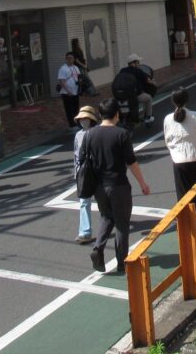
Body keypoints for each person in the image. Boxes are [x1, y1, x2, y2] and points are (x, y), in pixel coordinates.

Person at [85, 98, 150, 274]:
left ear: (100, 114)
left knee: (106, 217)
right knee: (122, 224)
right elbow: (131, 162)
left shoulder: (90, 134)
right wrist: (142, 183)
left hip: (99, 186)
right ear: (117, 114)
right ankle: (122, 262)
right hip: (118, 185)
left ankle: (98, 248)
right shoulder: (121, 134)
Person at [162, 88, 196, 204]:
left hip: (179, 161)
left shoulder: (168, 119)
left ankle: (187, 218)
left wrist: (173, 154)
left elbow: (167, 140)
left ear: (173, 101)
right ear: (186, 100)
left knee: (184, 196)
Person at [72, 105, 99, 245]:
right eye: (81, 119)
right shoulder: (78, 135)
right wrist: (76, 172)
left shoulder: (97, 133)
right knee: (84, 202)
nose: (83, 121)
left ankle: (110, 224)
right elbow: (75, 155)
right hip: (83, 172)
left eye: (86, 118)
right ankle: (85, 232)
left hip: (96, 171)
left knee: (102, 200)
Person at [111, 54, 156, 126]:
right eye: (138, 62)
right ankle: (148, 117)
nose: (139, 64)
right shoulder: (138, 71)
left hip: (121, 96)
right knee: (148, 98)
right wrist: (153, 83)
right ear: (133, 63)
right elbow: (148, 80)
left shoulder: (122, 70)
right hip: (134, 96)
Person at [56, 52, 81, 127]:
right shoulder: (63, 68)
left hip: (75, 91)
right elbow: (61, 81)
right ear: (66, 59)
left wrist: (80, 83)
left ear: (74, 59)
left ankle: (76, 121)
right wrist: (67, 91)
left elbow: (78, 77)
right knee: (69, 109)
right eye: (68, 58)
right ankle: (72, 124)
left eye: (71, 58)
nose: (69, 60)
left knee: (76, 107)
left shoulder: (76, 68)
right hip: (66, 93)